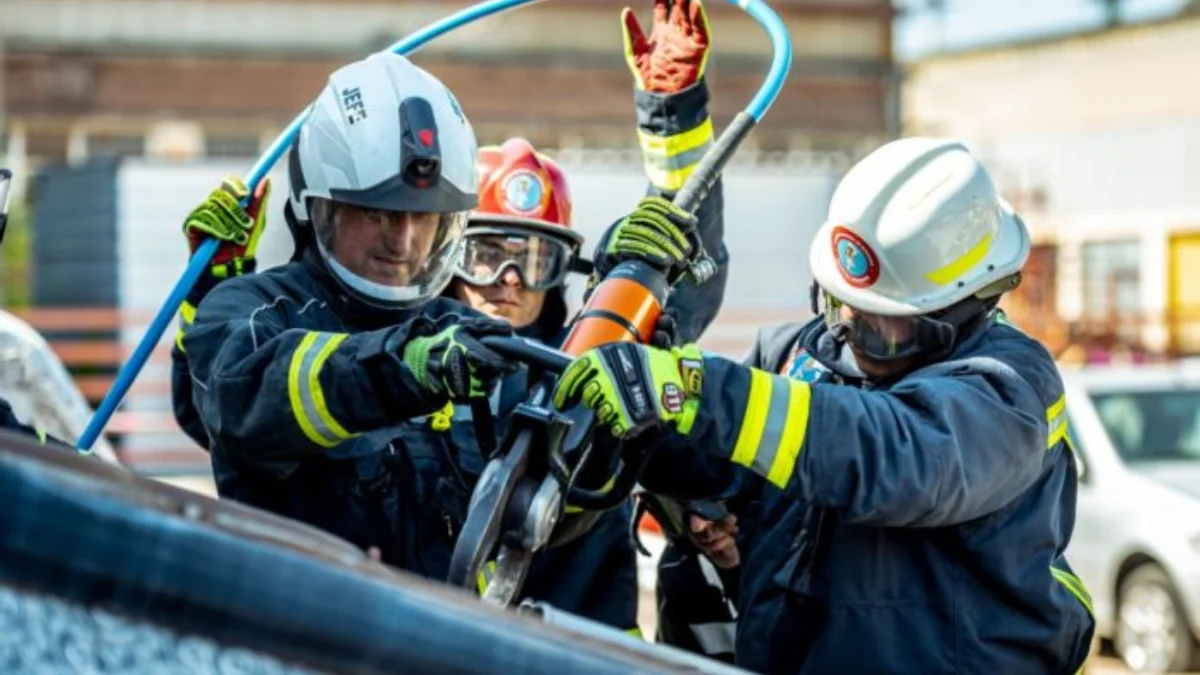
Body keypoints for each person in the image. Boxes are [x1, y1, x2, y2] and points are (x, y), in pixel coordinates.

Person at [173, 0, 726, 633]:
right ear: (320, 203)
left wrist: (637, 349)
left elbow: (558, 499)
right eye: (378, 213)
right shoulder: (254, 312)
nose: (402, 242)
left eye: (427, 218)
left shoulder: (469, 340)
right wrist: (399, 368)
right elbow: (244, 398)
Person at [552, 138, 1096, 674]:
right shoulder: (796, 354)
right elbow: (720, 462)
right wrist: (642, 373)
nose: (856, 335)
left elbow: (899, 456)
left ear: (970, 303)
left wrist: (694, 390)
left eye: (889, 329)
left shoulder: (1010, 385)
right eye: (841, 306)